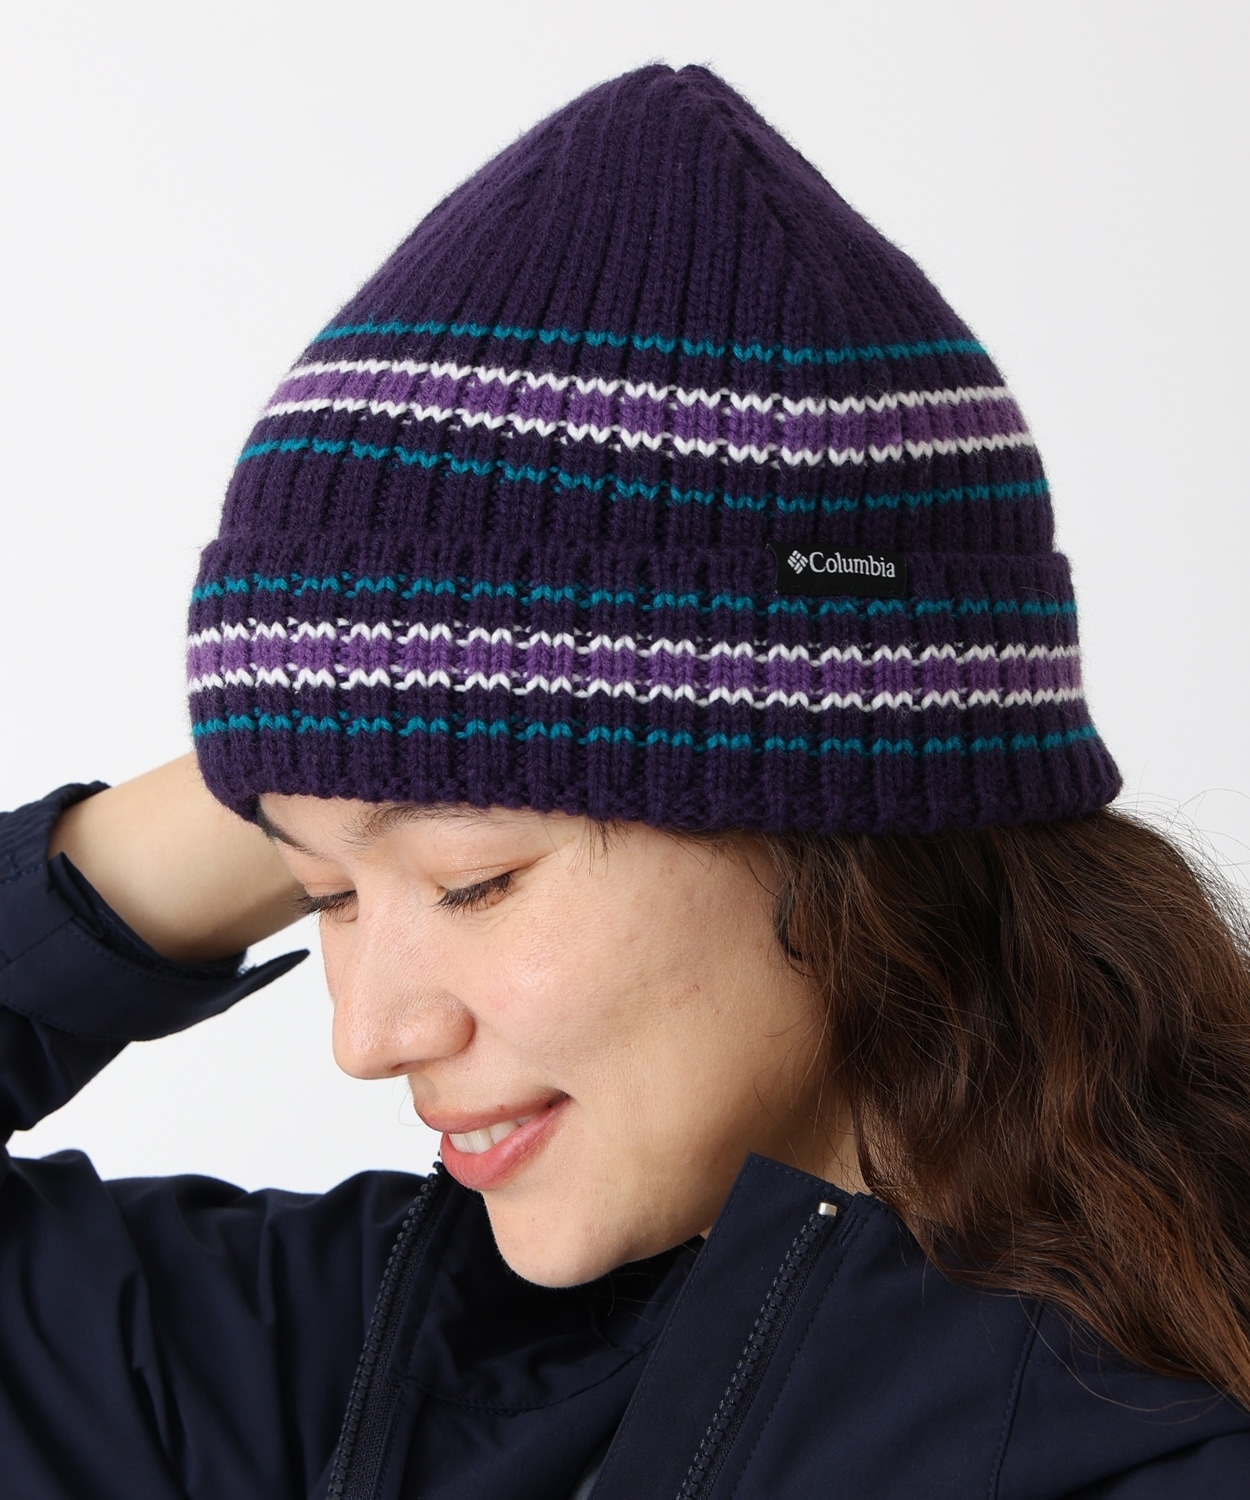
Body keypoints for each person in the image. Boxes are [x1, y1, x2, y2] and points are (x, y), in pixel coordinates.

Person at [3, 63, 1249, 1499]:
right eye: (320, 897)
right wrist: (322, 758)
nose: (369, 1034)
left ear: (855, 824)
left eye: (474, 882)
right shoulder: (385, 1375)